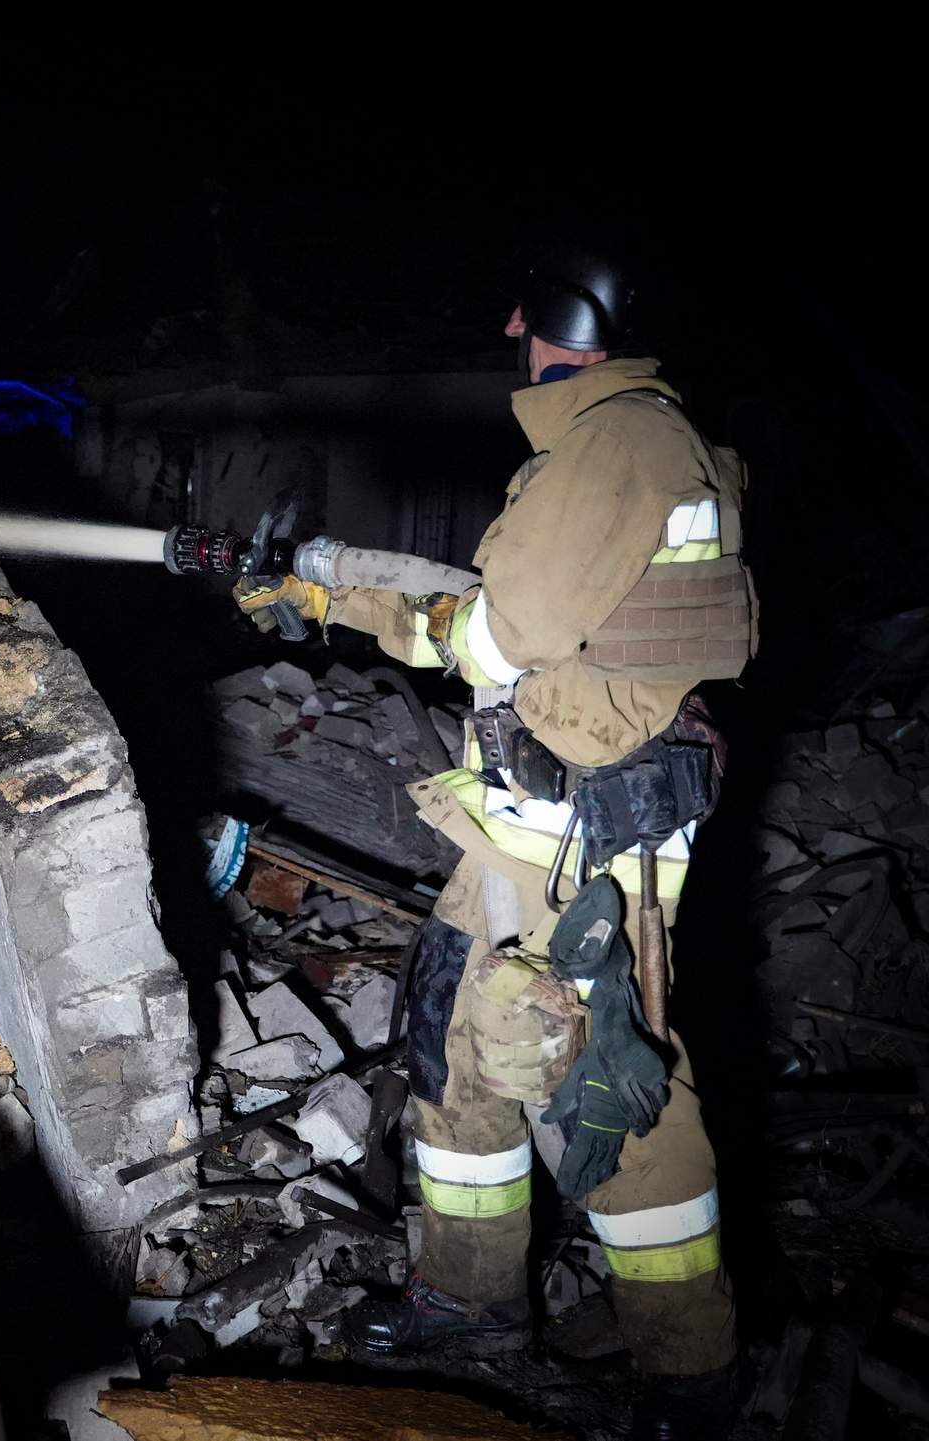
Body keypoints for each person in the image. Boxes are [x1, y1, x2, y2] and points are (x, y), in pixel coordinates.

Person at [238, 245, 755, 1437]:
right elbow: (512, 611)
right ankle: (470, 1300)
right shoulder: (629, 444)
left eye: (532, 303)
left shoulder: (620, 443)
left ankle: (688, 1366)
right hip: (530, 832)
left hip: (584, 851)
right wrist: (329, 581)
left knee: (607, 1090)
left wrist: (342, 600)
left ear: (578, 315)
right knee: (461, 1059)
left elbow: (490, 638)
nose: (515, 319)